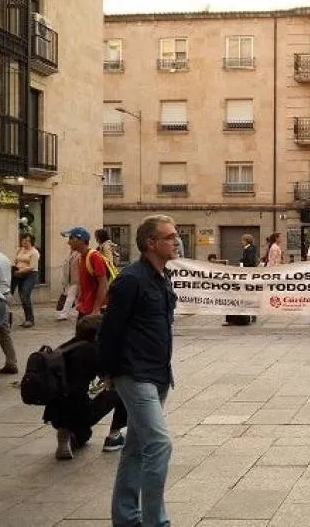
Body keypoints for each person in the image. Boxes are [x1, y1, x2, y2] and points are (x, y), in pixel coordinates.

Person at [100, 214, 179, 527]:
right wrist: (108, 371)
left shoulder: (162, 277)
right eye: (170, 236)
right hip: (133, 373)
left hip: (159, 373)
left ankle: (125, 517)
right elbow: (109, 329)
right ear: (151, 242)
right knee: (159, 443)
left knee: (136, 446)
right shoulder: (130, 279)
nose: (177, 241)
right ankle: (155, 522)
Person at [45, 314, 128, 460]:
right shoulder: (91, 350)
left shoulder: (64, 348)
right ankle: (114, 434)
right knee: (123, 388)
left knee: (84, 436)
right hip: (79, 410)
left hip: (54, 413)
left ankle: (66, 430)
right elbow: (112, 375)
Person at [63, 227, 108, 321]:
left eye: (71, 238)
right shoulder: (81, 257)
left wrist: (96, 310)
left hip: (94, 311)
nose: (69, 242)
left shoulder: (95, 257)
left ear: (80, 240)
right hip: (84, 308)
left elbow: (103, 285)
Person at [0, 235, 17, 374]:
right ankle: (11, 362)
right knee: (3, 332)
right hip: (5, 294)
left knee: (2, 331)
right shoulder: (4, 257)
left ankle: (11, 363)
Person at [225, 235, 257, 326]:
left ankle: (250, 315)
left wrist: (242, 263)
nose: (241, 242)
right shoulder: (249, 248)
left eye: (242, 240)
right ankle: (252, 315)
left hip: (248, 273)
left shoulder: (249, 249)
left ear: (246, 241)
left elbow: (250, 262)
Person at [12, 233, 40, 327]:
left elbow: (32, 267)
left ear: (31, 241)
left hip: (30, 275)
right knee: (22, 296)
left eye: (27, 240)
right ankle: (28, 318)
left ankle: (30, 320)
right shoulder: (20, 249)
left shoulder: (34, 252)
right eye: (23, 240)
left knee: (25, 295)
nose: (24, 242)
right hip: (19, 274)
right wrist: (15, 268)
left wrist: (20, 271)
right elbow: (16, 261)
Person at [56, 248, 81, 321]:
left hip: (76, 279)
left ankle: (64, 314)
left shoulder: (79, 254)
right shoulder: (70, 254)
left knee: (70, 297)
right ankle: (81, 312)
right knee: (76, 298)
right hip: (69, 280)